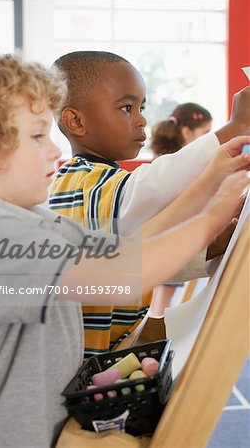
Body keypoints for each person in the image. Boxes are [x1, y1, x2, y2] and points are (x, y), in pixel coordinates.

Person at [0, 47, 249, 448]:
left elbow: (126, 247)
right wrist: (210, 216)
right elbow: (123, 274)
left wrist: (210, 181)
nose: (55, 150)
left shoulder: (33, 221)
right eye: (37, 136)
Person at [50, 51, 250, 358]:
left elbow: (133, 254)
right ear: (76, 121)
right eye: (127, 108)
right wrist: (234, 128)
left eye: (141, 107)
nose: (142, 119)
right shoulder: (82, 181)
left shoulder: (100, 180)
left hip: (109, 347)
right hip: (89, 360)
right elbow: (151, 188)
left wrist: (206, 248)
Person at [150, 102, 213, 315]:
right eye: (205, 133)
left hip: (169, 235)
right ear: (187, 131)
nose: (208, 138)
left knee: (164, 293)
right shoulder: (177, 165)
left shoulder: (168, 161)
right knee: (164, 297)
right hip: (170, 236)